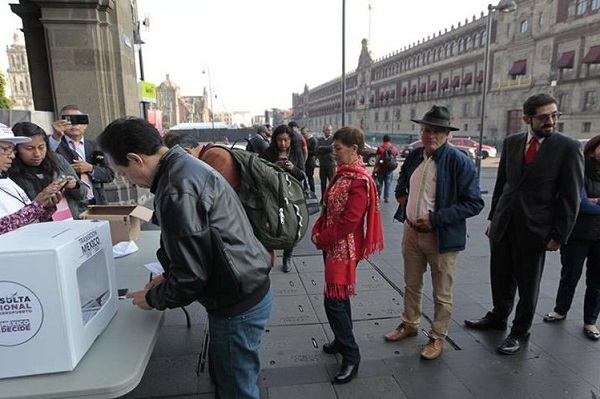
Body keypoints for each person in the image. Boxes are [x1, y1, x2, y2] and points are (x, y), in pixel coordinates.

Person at [97, 117, 272, 399]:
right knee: (235, 374)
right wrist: (169, 275)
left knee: (236, 387)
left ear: (135, 159)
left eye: (123, 172)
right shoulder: (184, 165)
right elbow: (200, 247)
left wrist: (153, 298)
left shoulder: (176, 189)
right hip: (247, 283)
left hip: (237, 301)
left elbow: (192, 276)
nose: (128, 180)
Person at [464, 93, 584, 355]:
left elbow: (571, 197)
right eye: (543, 117)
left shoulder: (568, 147)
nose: (550, 121)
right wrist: (494, 218)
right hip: (504, 224)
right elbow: (502, 184)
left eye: (554, 115)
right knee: (500, 276)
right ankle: (498, 317)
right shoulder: (512, 142)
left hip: (536, 230)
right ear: (527, 118)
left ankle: (519, 332)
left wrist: (558, 235)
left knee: (528, 286)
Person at [383, 105, 484, 360]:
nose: (431, 135)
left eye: (437, 131)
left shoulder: (459, 161)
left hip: (441, 237)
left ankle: (437, 336)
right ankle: (409, 323)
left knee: (442, 292)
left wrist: (436, 219)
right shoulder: (417, 154)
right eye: (427, 130)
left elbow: (474, 203)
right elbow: (403, 177)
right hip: (411, 232)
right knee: (412, 284)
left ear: (447, 133)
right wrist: (401, 195)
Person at [311, 125, 383, 384]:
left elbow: (349, 222)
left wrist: (322, 238)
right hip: (332, 246)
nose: (335, 153)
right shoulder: (342, 174)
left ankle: (351, 355)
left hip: (343, 248)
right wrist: (318, 228)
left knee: (333, 302)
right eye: (334, 148)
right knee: (340, 300)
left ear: (354, 149)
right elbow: (328, 207)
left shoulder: (359, 181)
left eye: (338, 149)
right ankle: (342, 341)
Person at [543, 135, 600, 341]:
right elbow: (580, 204)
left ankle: (590, 321)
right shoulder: (580, 169)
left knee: (597, 281)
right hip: (577, 234)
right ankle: (560, 310)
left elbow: (587, 203)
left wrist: (594, 201)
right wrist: (591, 203)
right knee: (570, 275)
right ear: (593, 150)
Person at [9, 122, 86, 219]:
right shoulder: (9, 172)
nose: (37, 154)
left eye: (41, 147)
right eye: (29, 148)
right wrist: (41, 201)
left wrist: (75, 186)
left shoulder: (58, 160)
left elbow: (82, 193)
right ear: (15, 149)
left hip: (69, 220)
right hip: (38, 228)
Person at [50, 104, 115, 212]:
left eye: (79, 120)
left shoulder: (95, 146)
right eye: (68, 120)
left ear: (85, 124)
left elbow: (109, 174)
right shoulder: (55, 144)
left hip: (97, 203)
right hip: (71, 206)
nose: (74, 124)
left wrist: (90, 168)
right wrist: (55, 136)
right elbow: (46, 157)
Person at [0, 123, 63, 235]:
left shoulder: (5, 178)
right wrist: (37, 205)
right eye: (5, 149)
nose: (12, 156)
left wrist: (45, 206)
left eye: (12, 150)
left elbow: (28, 221)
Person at [261, 124, 305, 272]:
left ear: (290, 140)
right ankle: (270, 255)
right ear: (275, 140)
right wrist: (274, 166)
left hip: (292, 196)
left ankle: (288, 257)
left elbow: (302, 175)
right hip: (273, 194)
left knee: (292, 226)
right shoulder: (268, 152)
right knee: (271, 225)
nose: (283, 144)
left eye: (286, 140)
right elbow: (261, 173)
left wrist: (292, 168)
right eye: (280, 140)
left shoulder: (296, 152)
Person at [373, 134, 399, 203]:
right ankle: (386, 197)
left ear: (383, 140)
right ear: (390, 140)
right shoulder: (394, 148)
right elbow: (395, 158)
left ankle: (378, 197)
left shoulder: (380, 148)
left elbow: (377, 159)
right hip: (389, 169)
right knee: (388, 183)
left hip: (381, 168)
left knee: (380, 183)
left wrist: (375, 168)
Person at [315, 124, 336, 201]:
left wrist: (322, 147)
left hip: (331, 164)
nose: (329, 132)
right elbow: (316, 149)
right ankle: (323, 199)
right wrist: (323, 148)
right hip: (322, 164)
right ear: (323, 131)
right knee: (323, 183)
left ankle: (332, 198)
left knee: (332, 182)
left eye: (330, 130)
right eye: (327, 130)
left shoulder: (333, 139)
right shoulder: (320, 139)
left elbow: (331, 148)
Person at [302, 126, 318, 193]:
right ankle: (305, 190)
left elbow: (314, 151)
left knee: (310, 177)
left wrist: (306, 151)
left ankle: (312, 191)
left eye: (304, 133)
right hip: (304, 161)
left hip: (310, 161)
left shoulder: (313, 140)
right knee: (304, 177)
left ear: (308, 132)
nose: (303, 135)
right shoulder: (304, 140)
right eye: (302, 134)